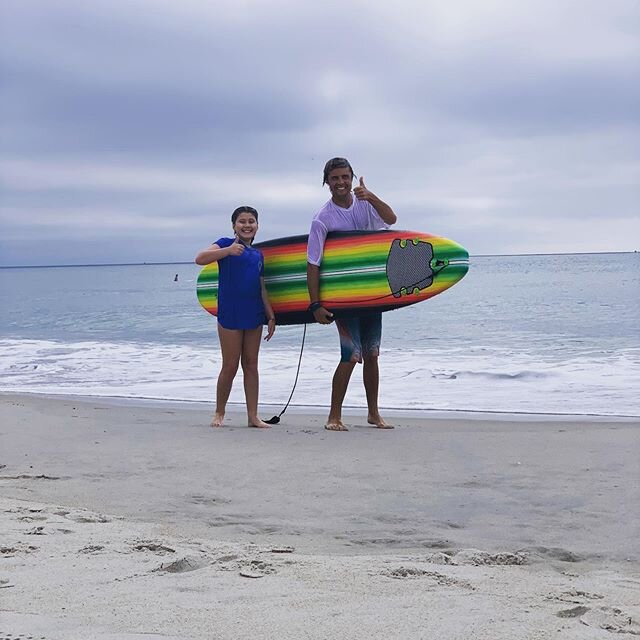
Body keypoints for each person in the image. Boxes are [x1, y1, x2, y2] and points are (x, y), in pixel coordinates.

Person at [307, 157, 397, 431]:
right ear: (327, 182)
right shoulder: (323, 219)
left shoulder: (365, 205)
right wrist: (315, 305)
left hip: (370, 294)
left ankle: (373, 413)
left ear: (351, 177)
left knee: (371, 354)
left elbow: (391, 219)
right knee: (351, 355)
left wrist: (371, 196)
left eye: (345, 177)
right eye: (334, 178)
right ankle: (333, 416)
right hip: (342, 298)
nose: (341, 182)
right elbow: (313, 263)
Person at [195, 205, 276, 428]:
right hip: (230, 313)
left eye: (251, 221)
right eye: (242, 221)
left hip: (254, 314)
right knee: (230, 366)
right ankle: (219, 412)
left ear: (257, 226)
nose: (247, 225)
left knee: (251, 365)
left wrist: (270, 316)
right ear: (234, 226)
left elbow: (262, 288)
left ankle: (253, 416)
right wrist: (227, 252)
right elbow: (200, 258)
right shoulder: (224, 244)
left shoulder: (258, 254)